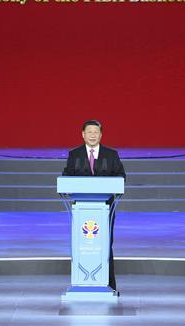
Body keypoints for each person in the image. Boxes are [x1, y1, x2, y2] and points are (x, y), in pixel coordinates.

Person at [62, 120, 125, 293]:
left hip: (105, 209)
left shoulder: (111, 155)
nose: (92, 135)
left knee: (105, 245)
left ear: (101, 135)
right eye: (89, 132)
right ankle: (81, 283)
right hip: (81, 210)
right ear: (83, 134)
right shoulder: (74, 154)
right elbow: (66, 177)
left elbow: (121, 177)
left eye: (95, 132)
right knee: (83, 244)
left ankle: (109, 285)